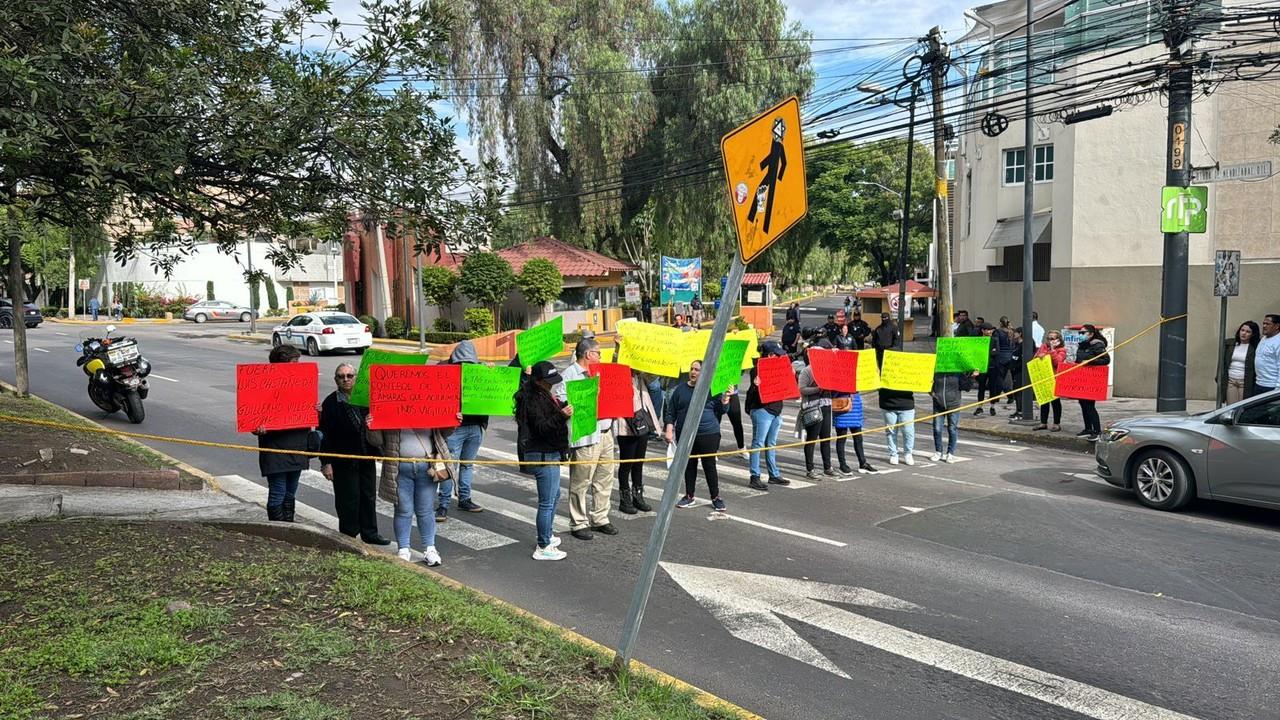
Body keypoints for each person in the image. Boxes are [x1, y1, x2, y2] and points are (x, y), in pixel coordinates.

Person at [366, 409, 451, 567]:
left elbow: (443, 433)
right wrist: (372, 425)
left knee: (425, 510)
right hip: (399, 468)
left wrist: (453, 420)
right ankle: (403, 549)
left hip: (426, 467)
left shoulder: (429, 406)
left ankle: (429, 548)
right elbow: (376, 441)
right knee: (403, 510)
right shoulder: (390, 409)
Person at [319, 363, 389, 545]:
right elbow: (324, 435)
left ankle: (370, 533)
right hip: (343, 460)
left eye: (350, 375)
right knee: (347, 499)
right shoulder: (330, 403)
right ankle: (348, 536)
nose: (346, 379)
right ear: (336, 380)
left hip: (366, 457)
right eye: (341, 376)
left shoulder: (366, 400)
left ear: (356, 377)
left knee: (368, 496)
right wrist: (326, 462)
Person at [556, 338, 618, 541]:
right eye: (598, 353)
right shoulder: (569, 376)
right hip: (585, 437)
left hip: (606, 432)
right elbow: (561, 402)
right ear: (588, 354)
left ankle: (600, 518)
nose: (600, 356)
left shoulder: (601, 372)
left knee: (604, 478)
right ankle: (578, 522)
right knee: (581, 481)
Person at [515, 361, 570, 561]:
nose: (551, 385)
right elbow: (542, 427)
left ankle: (548, 534)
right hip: (543, 455)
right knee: (547, 502)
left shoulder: (542, 395)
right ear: (538, 381)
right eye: (548, 381)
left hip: (550, 453)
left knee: (555, 495)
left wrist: (561, 409)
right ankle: (543, 544)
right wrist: (561, 416)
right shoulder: (533, 400)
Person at [252, 344, 312, 522]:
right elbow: (252, 419)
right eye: (295, 362)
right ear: (282, 364)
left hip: (298, 445)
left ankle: (289, 525)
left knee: (291, 492)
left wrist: (317, 410)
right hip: (275, 448)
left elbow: (309, 413)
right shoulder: (263, 386)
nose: (298, 365)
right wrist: (258, 429)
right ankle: (278, 529)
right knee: (278, 491)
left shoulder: (302, 384)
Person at [664, 359, 729, 511]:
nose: (693, 372)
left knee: (709, 466)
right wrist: (669, 429)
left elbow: (723, 410)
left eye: (697, 370)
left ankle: (715, 497)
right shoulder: (680, 390)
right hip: (685, 434)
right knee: (689, 465)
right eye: (692, 369)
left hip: (708, 433)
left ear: (704, 372)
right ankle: (689, 495)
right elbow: (670, 412)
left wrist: (726, 399)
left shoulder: (712, 390)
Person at [438, 340, 486, 520]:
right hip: (453, 428)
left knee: (467, 464)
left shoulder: (480, 370)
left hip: (475, 426)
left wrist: (489, 369)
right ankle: (443, 504)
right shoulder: (444, 370)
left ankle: (464, 498)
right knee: (450, 466)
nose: (465, 366)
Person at [614, 367, 660, 514]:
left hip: (642, 422)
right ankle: (624, 498)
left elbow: (654, 379)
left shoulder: (640, 375)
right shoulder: (619, 375)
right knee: (627, 463)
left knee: (639, 462)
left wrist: (642, 367)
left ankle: (638, 495)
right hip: (626, 425)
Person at [746, 342, 788, 489]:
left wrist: (791, 376)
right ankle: (755, 476)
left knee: (771, 443)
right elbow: (753, 394)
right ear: (770, 355)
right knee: (757, 443)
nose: (779, 357)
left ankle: (774, 474)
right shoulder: (757, 369)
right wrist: (755, 386)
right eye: (777, 354)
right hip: (761, 410)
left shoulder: (778, 367)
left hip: (776, 410)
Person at [797, 340, 836, 480]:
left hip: (826, 405)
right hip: (812, 407)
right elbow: (802, 389)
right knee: (812, 439)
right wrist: (818, 389)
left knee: (826, 437)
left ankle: (828, 466)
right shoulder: (807, 371)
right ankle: (810, 468)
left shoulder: (827, 368)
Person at [1074, 324, 1110, 441]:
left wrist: (1090, 362)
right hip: (1082, 378)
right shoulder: (1082, 345)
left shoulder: (1097, 345)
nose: (1080, 335)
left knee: (1089, 406)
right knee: (1083, 404)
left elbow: (1105, 360)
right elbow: (1079, 359)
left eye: (1082, 333)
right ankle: (1088, 428)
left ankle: (1097, 431)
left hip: (1091, 380)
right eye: (1079, 333)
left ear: (1091, 333)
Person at [832, 388, 876, 475]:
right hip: (841, 403)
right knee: (841, 438)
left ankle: (863, 463)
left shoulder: (857, 376)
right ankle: (842, 465)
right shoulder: (836, 376)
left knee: (858, 438)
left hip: (855, 405)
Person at [1220, 321, 1260, 404]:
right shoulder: (1230, 343)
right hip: (1231, 380)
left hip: (1245, 382)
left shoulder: (1255, 347)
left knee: (1243, 407)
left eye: (1248, 332)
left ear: (1253, 334)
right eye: (1242, 330)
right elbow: (1222, 362)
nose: (1244, 333)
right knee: (1231, 407)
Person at [975, 322, 1012, 416]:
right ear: (983, 330)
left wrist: (987, 352)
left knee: (993, 387)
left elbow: (996, 352)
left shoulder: (994, 339)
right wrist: (990, 352)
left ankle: (992, 406)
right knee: (981, 387)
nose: (989, 331)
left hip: (993, 367)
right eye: (987, 329)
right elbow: (977, 353)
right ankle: (980, 407)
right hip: (981, 367)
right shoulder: (978, 340)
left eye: (991, 329)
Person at [1033, 330, 1067, 432]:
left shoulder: (1062, 350)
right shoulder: (1043, 346)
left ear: (1058, 340)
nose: (1049, 340)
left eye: (1052, 339)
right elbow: (1035, 358)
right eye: (1048, 338)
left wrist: (1051, 350)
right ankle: (1043, 422)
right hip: (1044, 377)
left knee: (1055, 402)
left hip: (1054, 378)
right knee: (1044, 401)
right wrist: (1038, 356)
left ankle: (1057, 423)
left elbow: (1058, 362)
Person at [929, 372, 962, 463]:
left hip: (954, 404)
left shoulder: (957, 372)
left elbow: (966, 387)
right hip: (938, 404)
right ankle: (938, 451)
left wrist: (971, 377)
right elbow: (928, 383)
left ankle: (950, 453)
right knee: (937, 428)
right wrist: (931, 393)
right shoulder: (936, 371)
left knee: (952, 428)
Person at [879, 386, 915, 466]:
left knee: (908, 431)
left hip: (906, 403)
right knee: (891, 432)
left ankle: (908, 453)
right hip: (888, 403)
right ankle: (893, 454)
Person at [1254, 314, 1280, 394]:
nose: (1264, 326)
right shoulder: (1264, 338)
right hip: (1259, 383)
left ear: (1277, 326)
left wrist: (1278, 388)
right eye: (1263, 323)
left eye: (1267, 324)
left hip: (1272, 386)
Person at [1006, 327, 1025, 418]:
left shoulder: (1025, 345)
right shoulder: (1016, 344)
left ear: (1020, 333)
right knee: (1016, 391)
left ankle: (1021, 411)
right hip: (1015, 370)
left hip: (1021, 371)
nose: (1014, 335)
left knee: (1019, 391)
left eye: (1015, 333)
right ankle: (1018, 409)